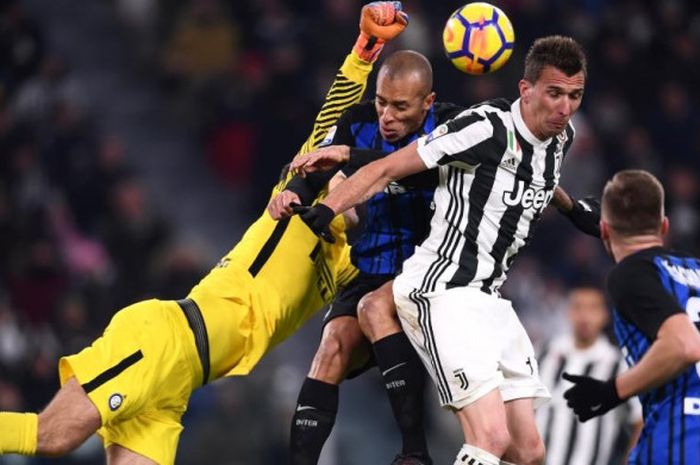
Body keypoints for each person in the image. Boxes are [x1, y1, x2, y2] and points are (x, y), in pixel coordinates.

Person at [0, 3, 408, 464]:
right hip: (163, 342)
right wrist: (365, 50)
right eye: (344, 174)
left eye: (366, 182)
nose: (350, 184)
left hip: (180, 382)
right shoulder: (296, 203)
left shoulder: (352, 263)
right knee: (50, 436)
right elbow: (333, 117)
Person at [289, 35, 592, 465]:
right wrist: (328, 208)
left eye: (574, 96)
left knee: (529, 452)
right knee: (488, 438)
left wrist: (575, 209)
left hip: (490, 297)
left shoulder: (561, 138)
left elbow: (535, 176)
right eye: (554, 94)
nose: (564, 107)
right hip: (442, 289)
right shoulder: (482, 127)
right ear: (526, 90)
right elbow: (388, 166)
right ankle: (413, 451)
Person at [268, 49, 465, 465]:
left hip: (428, 268)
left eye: (400, 106)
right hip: (370, 266)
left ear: (427, 102)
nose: (386, 116)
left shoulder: (453, 124)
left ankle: (415, 453)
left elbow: (420, 167)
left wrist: (349, 158)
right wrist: (295, 193)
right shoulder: (356, 121)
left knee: (375, 310)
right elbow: (317, 168)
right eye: (381, 101)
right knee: (331, 347)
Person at [563, 169, 700, 465]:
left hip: (680, 438)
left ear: (604, 232)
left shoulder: (631, 274)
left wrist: (612, 391)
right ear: (664, 227)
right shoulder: (695, 270)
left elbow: (685, 344)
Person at [536, 286, 642, 465]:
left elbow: (639, 421)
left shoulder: (618, 365)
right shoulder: (542, 354)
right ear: (568, 311)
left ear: (605, 315)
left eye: (592, 308)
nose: (584, 316)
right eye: (578, 307)